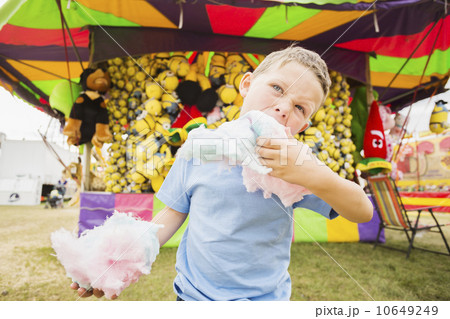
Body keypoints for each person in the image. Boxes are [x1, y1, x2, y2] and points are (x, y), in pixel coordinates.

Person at [71, 45, 373, 300]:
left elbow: (362, 211)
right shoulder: (199, 147)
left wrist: (310, 174)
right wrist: (121, 256)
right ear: (246, 84)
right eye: (277, 88)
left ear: (303, 126)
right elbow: (171, 215)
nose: (283, 107)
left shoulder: (295, 164)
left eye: (300, 108)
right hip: (193, 297)